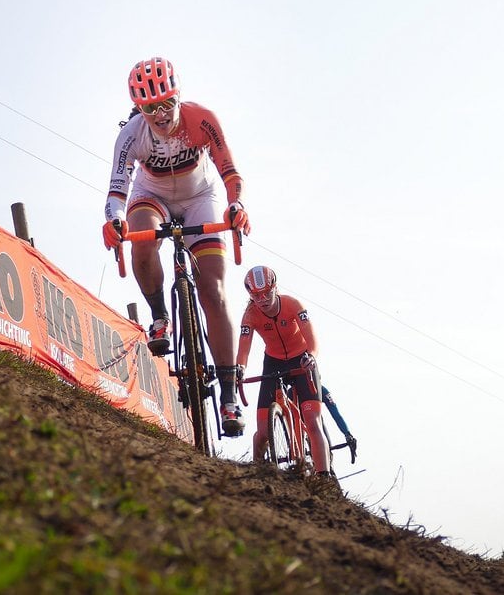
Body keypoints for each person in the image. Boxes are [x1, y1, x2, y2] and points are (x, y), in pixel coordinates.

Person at [101, 56, 251, 437]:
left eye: (167, 102)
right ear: (139, 107)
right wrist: (113, 218)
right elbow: (118, 188)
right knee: (142, 237)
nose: (161, 113)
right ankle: (159, 316)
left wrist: (236, 206)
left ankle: (229, 395)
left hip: (200, 196)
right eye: (151, 107)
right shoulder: (132, 134)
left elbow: (230, 173)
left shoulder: (202, 120)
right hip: (151, 194)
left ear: (178, 96)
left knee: (213, 292)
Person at [234, 265, 333, 477]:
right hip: (274, 362)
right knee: (262, 433)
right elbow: (244, 347)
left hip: (302, 358)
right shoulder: (250, 315)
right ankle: (258, 475)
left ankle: (324, 476)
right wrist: (239, 368)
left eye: (266, 293)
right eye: (256, 295)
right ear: (250, 295)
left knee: (312, 420)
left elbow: (312, 338)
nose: (262, 299)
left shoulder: (292, 304)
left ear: (275, 288)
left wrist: (312, 356)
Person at [321, 386, 358, 463]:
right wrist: (347, 434)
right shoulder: (321, 388)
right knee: (318, 422)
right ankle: (328, 469)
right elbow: (336, 414)